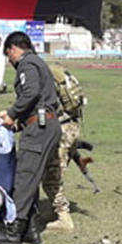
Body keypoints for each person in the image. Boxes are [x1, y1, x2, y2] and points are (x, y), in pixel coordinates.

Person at [0, 32, 62, 244]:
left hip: (40, 127)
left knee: (25, 177)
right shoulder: (38, 62)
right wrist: (18, 123)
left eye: (8, 56)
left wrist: (11, 112)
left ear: (12, 49)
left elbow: (30, 93)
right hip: (45, 123)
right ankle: (31, 228)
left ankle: (14, 230)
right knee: (33, 176)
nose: (10, 62)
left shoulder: (27, 64)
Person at [41, 63, 88, 232]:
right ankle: (55, 211)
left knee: (50, 178)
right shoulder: (57, 70)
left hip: (61, 130)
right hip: (72, 127)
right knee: (55, 173)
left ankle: (63, 217)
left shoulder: (44, 73)